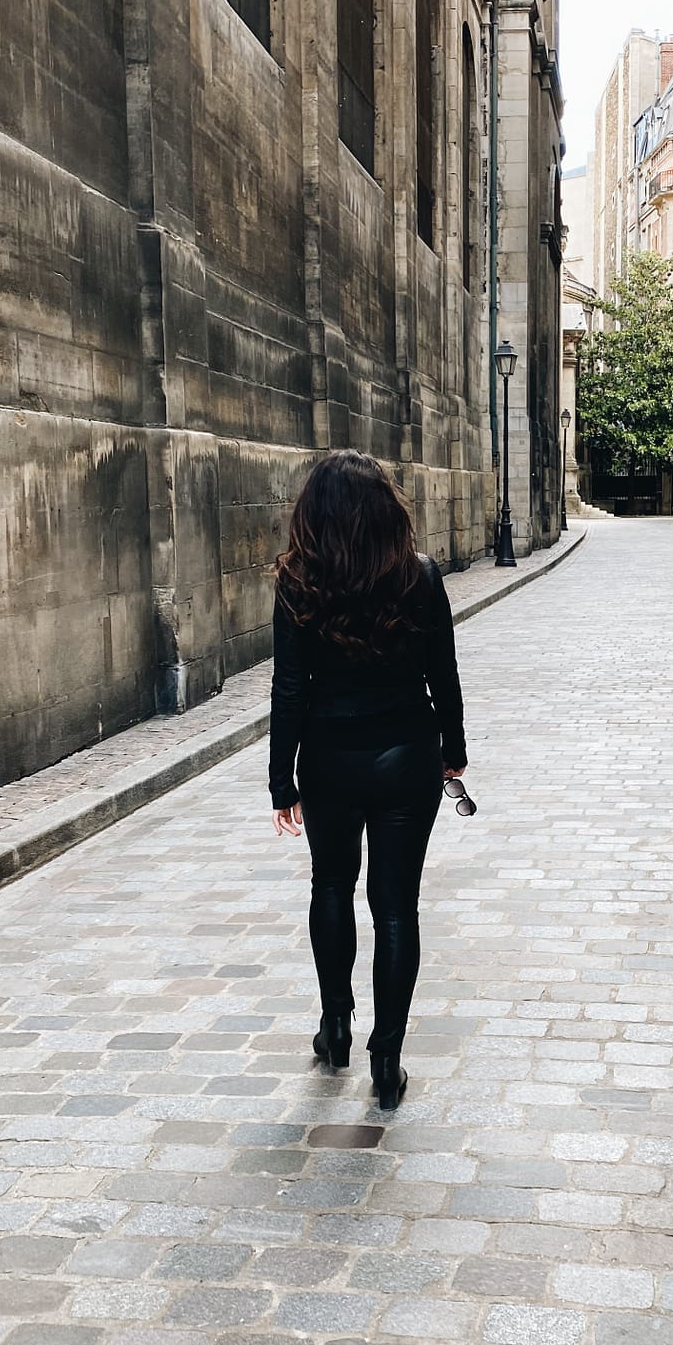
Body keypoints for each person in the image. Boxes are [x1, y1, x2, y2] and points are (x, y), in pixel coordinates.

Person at [269, 451, 467, 1108]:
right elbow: (444, 674)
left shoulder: (300, 582)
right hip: (407, 754)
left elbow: (290, 689)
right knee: (395, 907)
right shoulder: (420, 575)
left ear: (314, 512)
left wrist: (281, 780)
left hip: (328, 757)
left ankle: (335, 1026)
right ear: (387, 508)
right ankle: (388, 1059)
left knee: (331, 883)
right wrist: (454, 750)